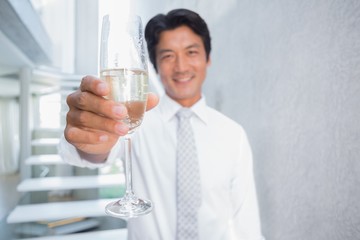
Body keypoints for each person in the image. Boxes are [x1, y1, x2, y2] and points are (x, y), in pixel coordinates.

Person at [59, 8, 265, 240]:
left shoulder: (233, 134)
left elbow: (246, 223)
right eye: (167, 56)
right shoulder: (135, 121)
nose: (181, 66)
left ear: (208, 58)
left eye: (191, 52)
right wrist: (88, 137)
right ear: (154, 67)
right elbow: (94, 153)